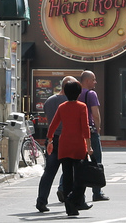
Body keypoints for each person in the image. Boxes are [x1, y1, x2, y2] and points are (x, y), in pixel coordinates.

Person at [46, 80, 93, 217]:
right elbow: (85, 128)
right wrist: (89, 147)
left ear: (65, 93)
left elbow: (53, 125)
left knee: (67, 176)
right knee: (81, 177)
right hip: (78, 144)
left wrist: (50, 140)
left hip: (64, 144)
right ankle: (74, 199)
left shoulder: (62, 106)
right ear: (79, 93)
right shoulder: (82, 106)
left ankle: (69, 206)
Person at [37, 76, 74, 212]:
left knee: (49, 172)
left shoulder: (49, 100)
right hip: (66, 139)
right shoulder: (69, 102)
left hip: (52, 139)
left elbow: (48, 118)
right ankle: (70, 201)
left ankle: (41, 201)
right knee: (68, 171)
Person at [79, 70, 109, 201]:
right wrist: (98, 128)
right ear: (87, 81)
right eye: (94, 79)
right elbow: (95, 114)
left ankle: (64, 188)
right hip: (90, 130)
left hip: (77, 131)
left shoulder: (76, 92)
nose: (95, 82)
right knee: (96, 160)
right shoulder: (91, 94)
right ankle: (97, 192)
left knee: (77, 161)